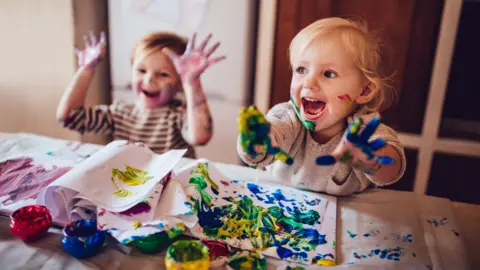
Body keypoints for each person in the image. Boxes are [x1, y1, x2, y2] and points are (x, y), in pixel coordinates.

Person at [238, 17, 406, 195]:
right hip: (277, 204)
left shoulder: (363, 131)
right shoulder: (288, 117)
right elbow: (273, 136)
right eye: (301, 70)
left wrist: (371, 160)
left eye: (328, 73)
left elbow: (391, 171)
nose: (309, 83)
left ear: (364, 90)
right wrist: (255, 142)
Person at [57, 31, 225, 158]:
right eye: (141, 70)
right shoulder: (120, 113)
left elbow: (200, 137)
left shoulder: (178, 116)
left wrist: (192, 81)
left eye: (163, 74)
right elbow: (69, 117)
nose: (149, 80)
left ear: (180, 84)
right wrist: (86, 69)